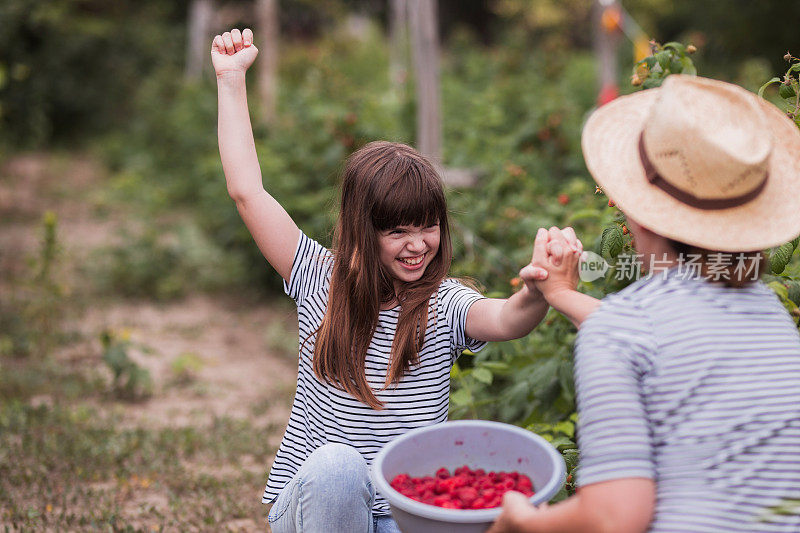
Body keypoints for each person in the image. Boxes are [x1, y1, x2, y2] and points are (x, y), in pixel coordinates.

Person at [211, 28, 580, 533]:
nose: (417, 244)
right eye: (397, 230)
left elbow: (506, 318)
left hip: (402, 519)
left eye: (427, 226)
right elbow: (247, 191)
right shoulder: (319, 277)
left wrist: (536, 291)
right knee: (338, 466)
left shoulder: (443, 304)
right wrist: (231, 81)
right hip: (320, 508)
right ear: (363, 230)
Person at [489, 74, 800, 532]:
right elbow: (660, 342)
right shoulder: (769, 314)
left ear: (637, 210)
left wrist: (519, 521)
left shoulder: (624, 328)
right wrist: (561, 296)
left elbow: (613, 519)